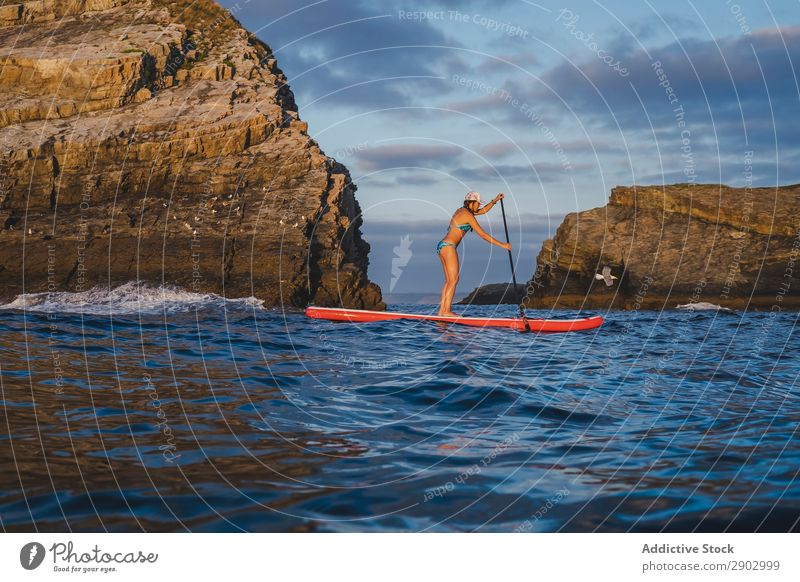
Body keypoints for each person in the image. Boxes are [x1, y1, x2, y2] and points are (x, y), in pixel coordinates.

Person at [437, 191, 511, 317]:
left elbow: (483, 211)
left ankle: (442, 311)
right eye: (477, 203)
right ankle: (446, 311)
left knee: (449, 280)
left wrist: (495, 200)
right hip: (449, 247)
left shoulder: (461, 211)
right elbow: (483, 235)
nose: (478, 206)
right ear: (471, 203)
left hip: (442, 246)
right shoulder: (467, 215)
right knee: (454, 280)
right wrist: (503, 245)